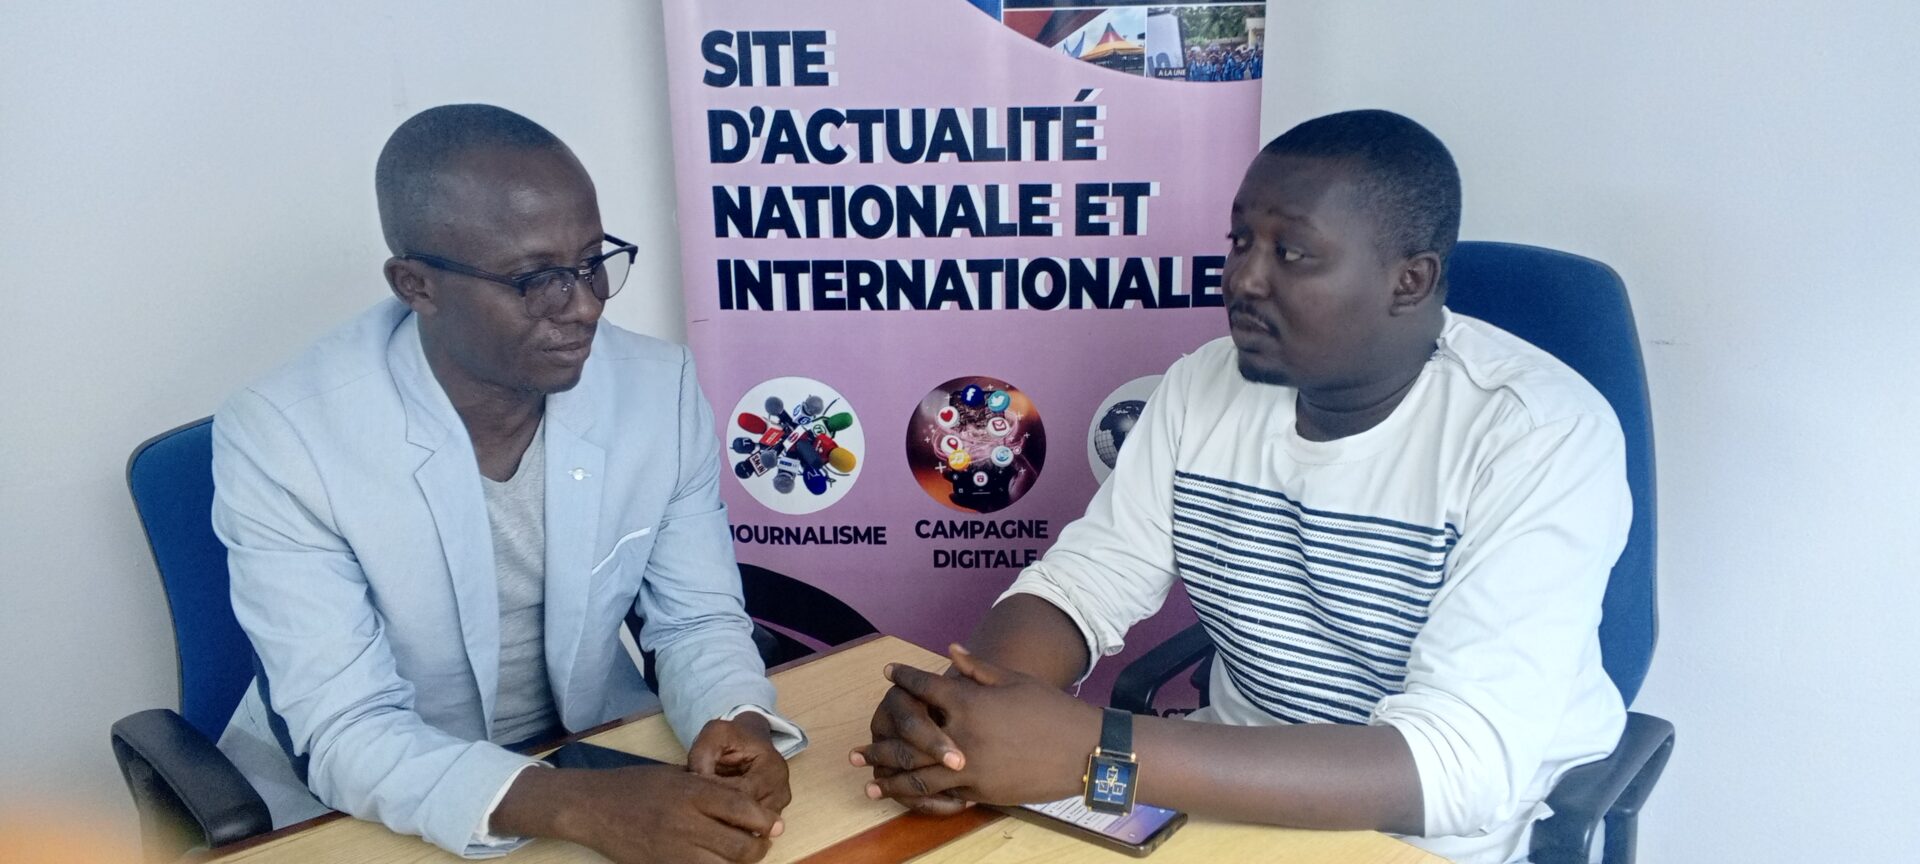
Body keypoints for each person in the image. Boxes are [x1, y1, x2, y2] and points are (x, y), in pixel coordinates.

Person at [855, 110, 1629, 864]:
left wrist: (1097, 750)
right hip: (1225, 788)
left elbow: (1457, 768)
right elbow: (1086, 582)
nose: (1243, 279)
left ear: (1409, 281)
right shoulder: (1202, 385)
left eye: (1292, 253)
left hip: (1428, 836)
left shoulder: (1537, 434)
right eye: (1239, 241)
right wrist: (961, 720)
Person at [212, 104, 802, 863]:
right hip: (367, 802)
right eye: (535, 279)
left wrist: (739, 721)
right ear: (416, 285)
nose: (585, 304)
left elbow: (695, 621)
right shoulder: (285, 436)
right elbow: (348, 725)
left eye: (592, 262)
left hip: (596, 747)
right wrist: (584, 807)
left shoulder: (660, 389)